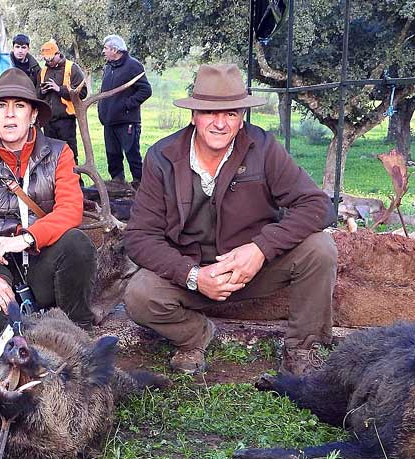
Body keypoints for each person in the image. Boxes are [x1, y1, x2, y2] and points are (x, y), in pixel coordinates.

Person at [124, 64, 336, 375]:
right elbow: (139, 236)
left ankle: (302, 350)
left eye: (232, 114)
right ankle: (195, 336)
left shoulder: (263, 148)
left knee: (321, 248)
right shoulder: (162, 156)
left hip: (253, 269)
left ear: (241, 119)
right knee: (139, 296)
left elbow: (318, 206)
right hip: (190, 274)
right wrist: (194, 276)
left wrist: (260, 249)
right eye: (211, 113)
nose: (221, 123)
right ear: (194, 116)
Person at [0, 68, 96, 341]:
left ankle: (78, 328)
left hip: (39, 259)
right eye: (1, 106)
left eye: (19, 105)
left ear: (34, 114)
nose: (10, 114)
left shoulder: (59, 152)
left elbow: (70, 209)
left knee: (77, 244)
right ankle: (8, 323)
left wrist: (27, 238)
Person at [98, 34, 152, 189]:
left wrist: (126, 105)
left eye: (106, 48)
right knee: (112, 154)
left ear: (115, 50)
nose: (104, 51)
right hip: (109, 121)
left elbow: (145, 90)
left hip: (127, 121)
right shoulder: (109, 66)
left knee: (132, 154)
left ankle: (141, 185)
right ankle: (118, 183)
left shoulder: (133, 66)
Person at [38, 39, 87, 163]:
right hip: (48, 122)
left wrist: (59, 89)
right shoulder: (43, 71)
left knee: (69, 155)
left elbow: (82, 93)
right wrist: (42, 92)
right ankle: (54, 182)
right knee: (51, 156)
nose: (48, 61)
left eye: (51, 58)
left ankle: (76, 182)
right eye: (46, 59)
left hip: (66, 121)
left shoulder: (72, 68)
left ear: (58, 54)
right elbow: (36, 94)